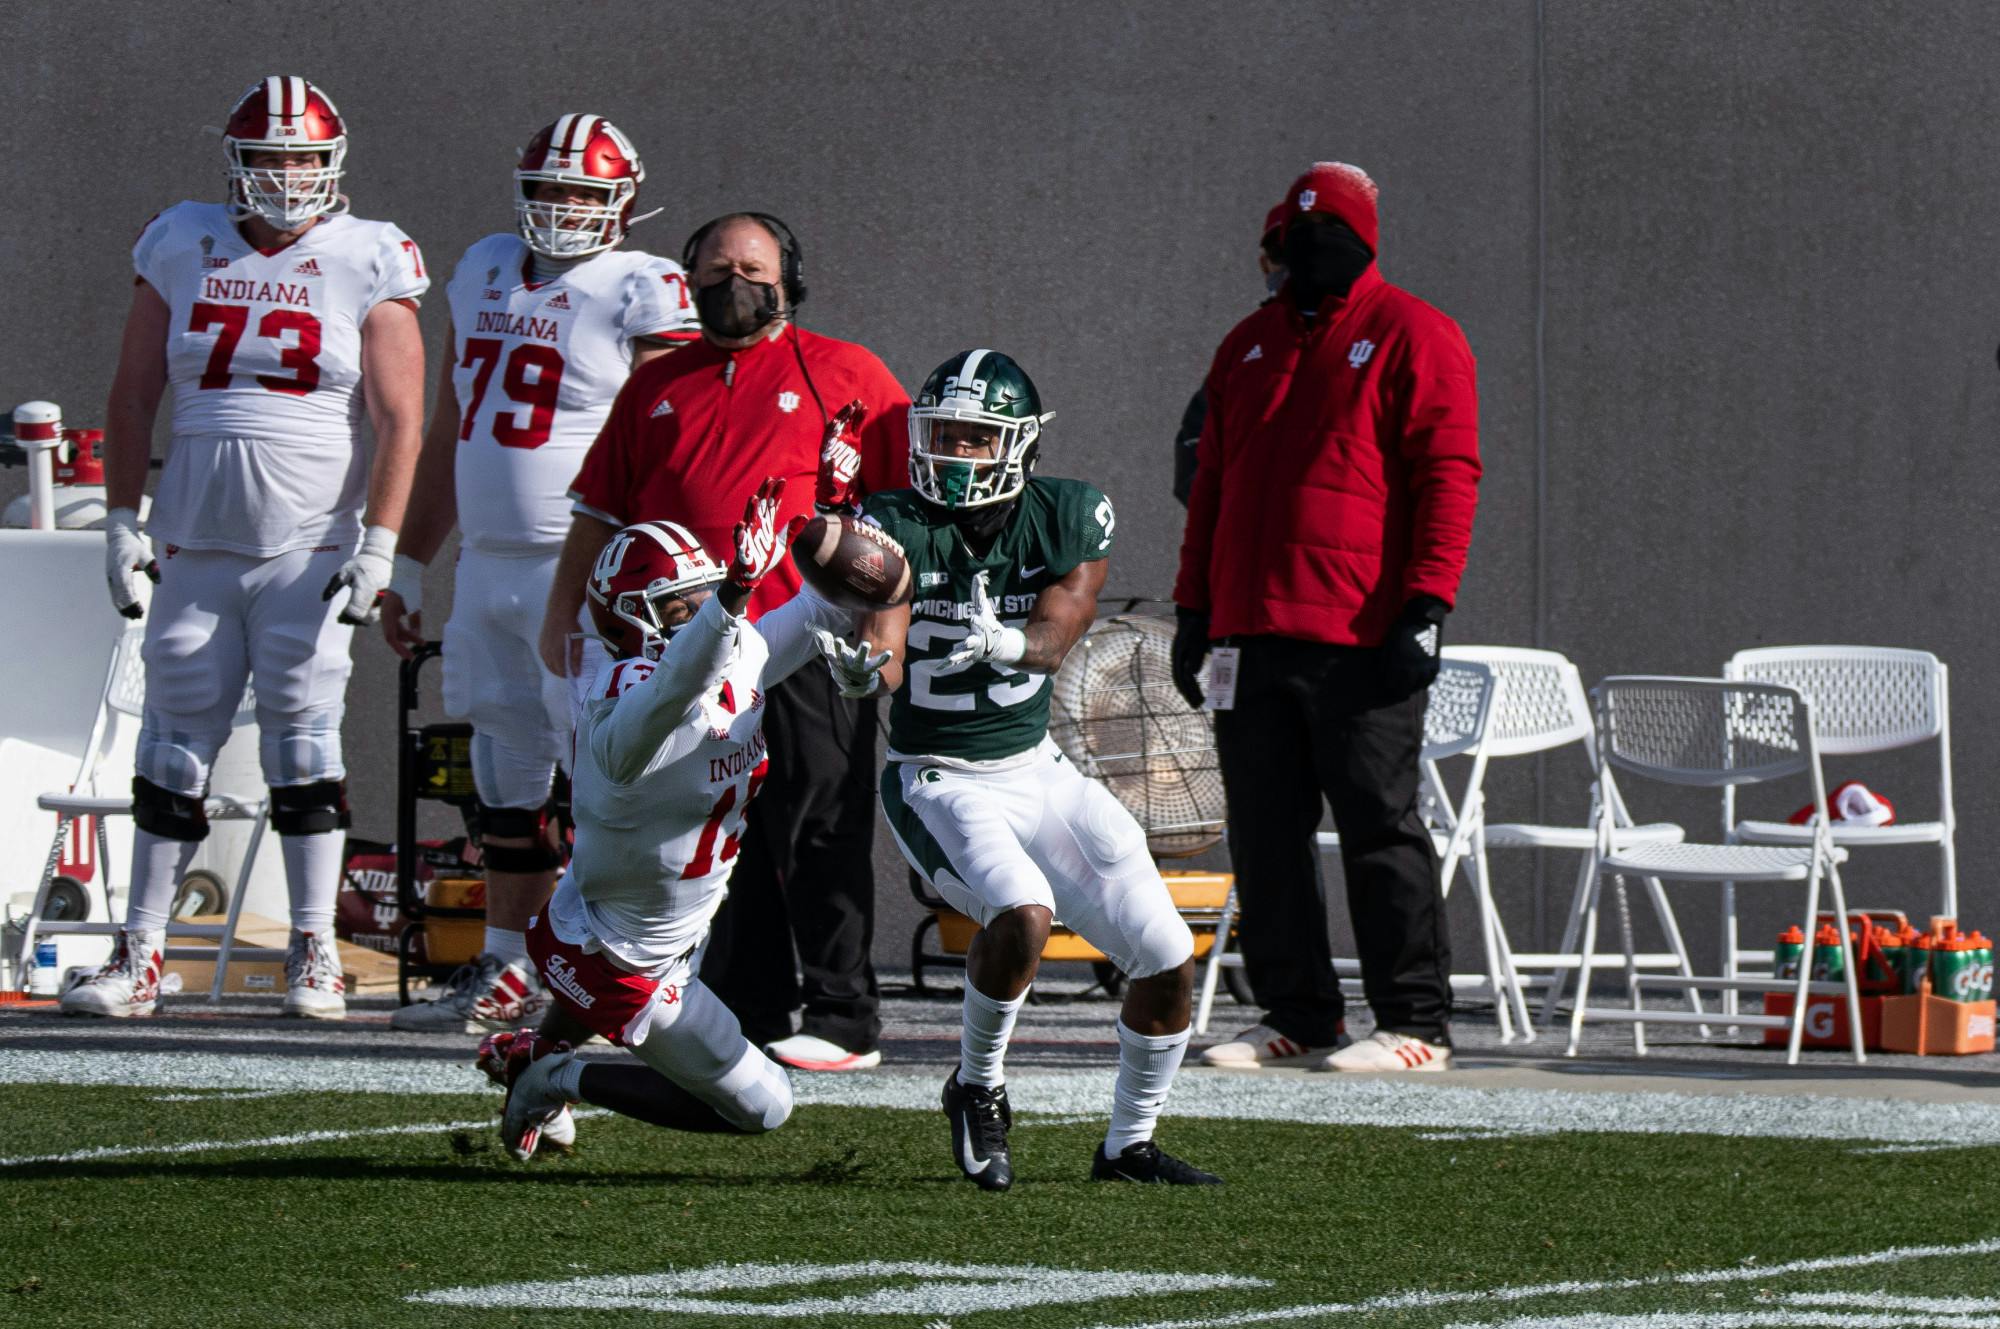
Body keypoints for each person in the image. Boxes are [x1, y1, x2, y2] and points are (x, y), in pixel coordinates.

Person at [65, 76, 427, 1021]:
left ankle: (316, 951)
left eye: (303, 158)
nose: (285, 176)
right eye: (268, 158)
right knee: (172, 750)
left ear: (333, 165)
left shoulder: (369, 254)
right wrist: (118, 517)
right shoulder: (182, 238)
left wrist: (381, 544)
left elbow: (401, 420)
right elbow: (132, 393)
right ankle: (139, 956)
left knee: (304, 745)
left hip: (310, 548)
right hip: (196, 540)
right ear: (235, 164)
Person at [822, 349, 1219, 1190]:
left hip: (1035, 767)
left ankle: (1127, 1144)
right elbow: (885, 646)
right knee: (1024, 911)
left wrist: (1008, 642)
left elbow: (1056, 632)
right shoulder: (894, 518)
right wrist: (866, 670)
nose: (953, 454)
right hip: (937, 775)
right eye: (942, 435)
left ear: (1019, 445)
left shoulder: (1069, 514)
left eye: (974, 437)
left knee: (1166, 952)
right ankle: (976, 1083)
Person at [543, 213, 908, 1071]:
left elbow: (894, 521)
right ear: (687, 278)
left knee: (821, 818)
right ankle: (750, 1002)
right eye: (713, 267)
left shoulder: (846, 370)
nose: (731, 280)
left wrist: (885, 631)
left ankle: (843, 1013)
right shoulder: (656, 384)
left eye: (750, 266)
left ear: (791, 276)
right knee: (715, 821)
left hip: (804, 633)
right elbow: (599, 512)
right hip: (685, 647)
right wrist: (563, 619)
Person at [378, 114, 700, 1035]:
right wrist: (408, 561)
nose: (560, 210)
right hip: (486, 563)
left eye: (581, 194)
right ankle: (508, 963)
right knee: (501, 771)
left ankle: (613, 964)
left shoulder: (643, 286)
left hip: (588, 569)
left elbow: (667, 441)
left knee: (605, 776)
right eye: (548, 191)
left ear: (623, 206)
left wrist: (654, 575)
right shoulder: (481, 266)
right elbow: (452, 431)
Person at [1173, 162, 1481, 1073]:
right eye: (1295, 235)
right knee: (1267, 835)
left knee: (1379, 824)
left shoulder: (1416, 334)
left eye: (1328, 235)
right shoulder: (1246, 346)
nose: (1307, 252)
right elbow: (1213, 492)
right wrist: (1196, 610)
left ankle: (1415, 1021)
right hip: (1248, 631)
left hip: (1360, 633)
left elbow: (1447, 475)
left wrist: (1427, 603)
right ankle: (1299, 1014)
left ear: (1363, 242)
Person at [484, 457, 860, 1159]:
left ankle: (531, 1051)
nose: (707, 613)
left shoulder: (726, 651)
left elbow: (820, 608)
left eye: (705, 595)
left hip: (652, 923)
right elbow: (672, 689)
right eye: (682, 607)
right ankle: (553, 1073)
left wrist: (841, 511)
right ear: (632, 622)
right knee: (764, 1106)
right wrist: (734, 594)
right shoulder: (621, 711)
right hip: (624, 955)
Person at [1173, 202, 1288, 507]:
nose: (1294, 266)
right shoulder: (1245, 348)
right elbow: (1192, 452)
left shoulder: (1376, 344)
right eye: (1282, 255)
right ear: (1266, 265)